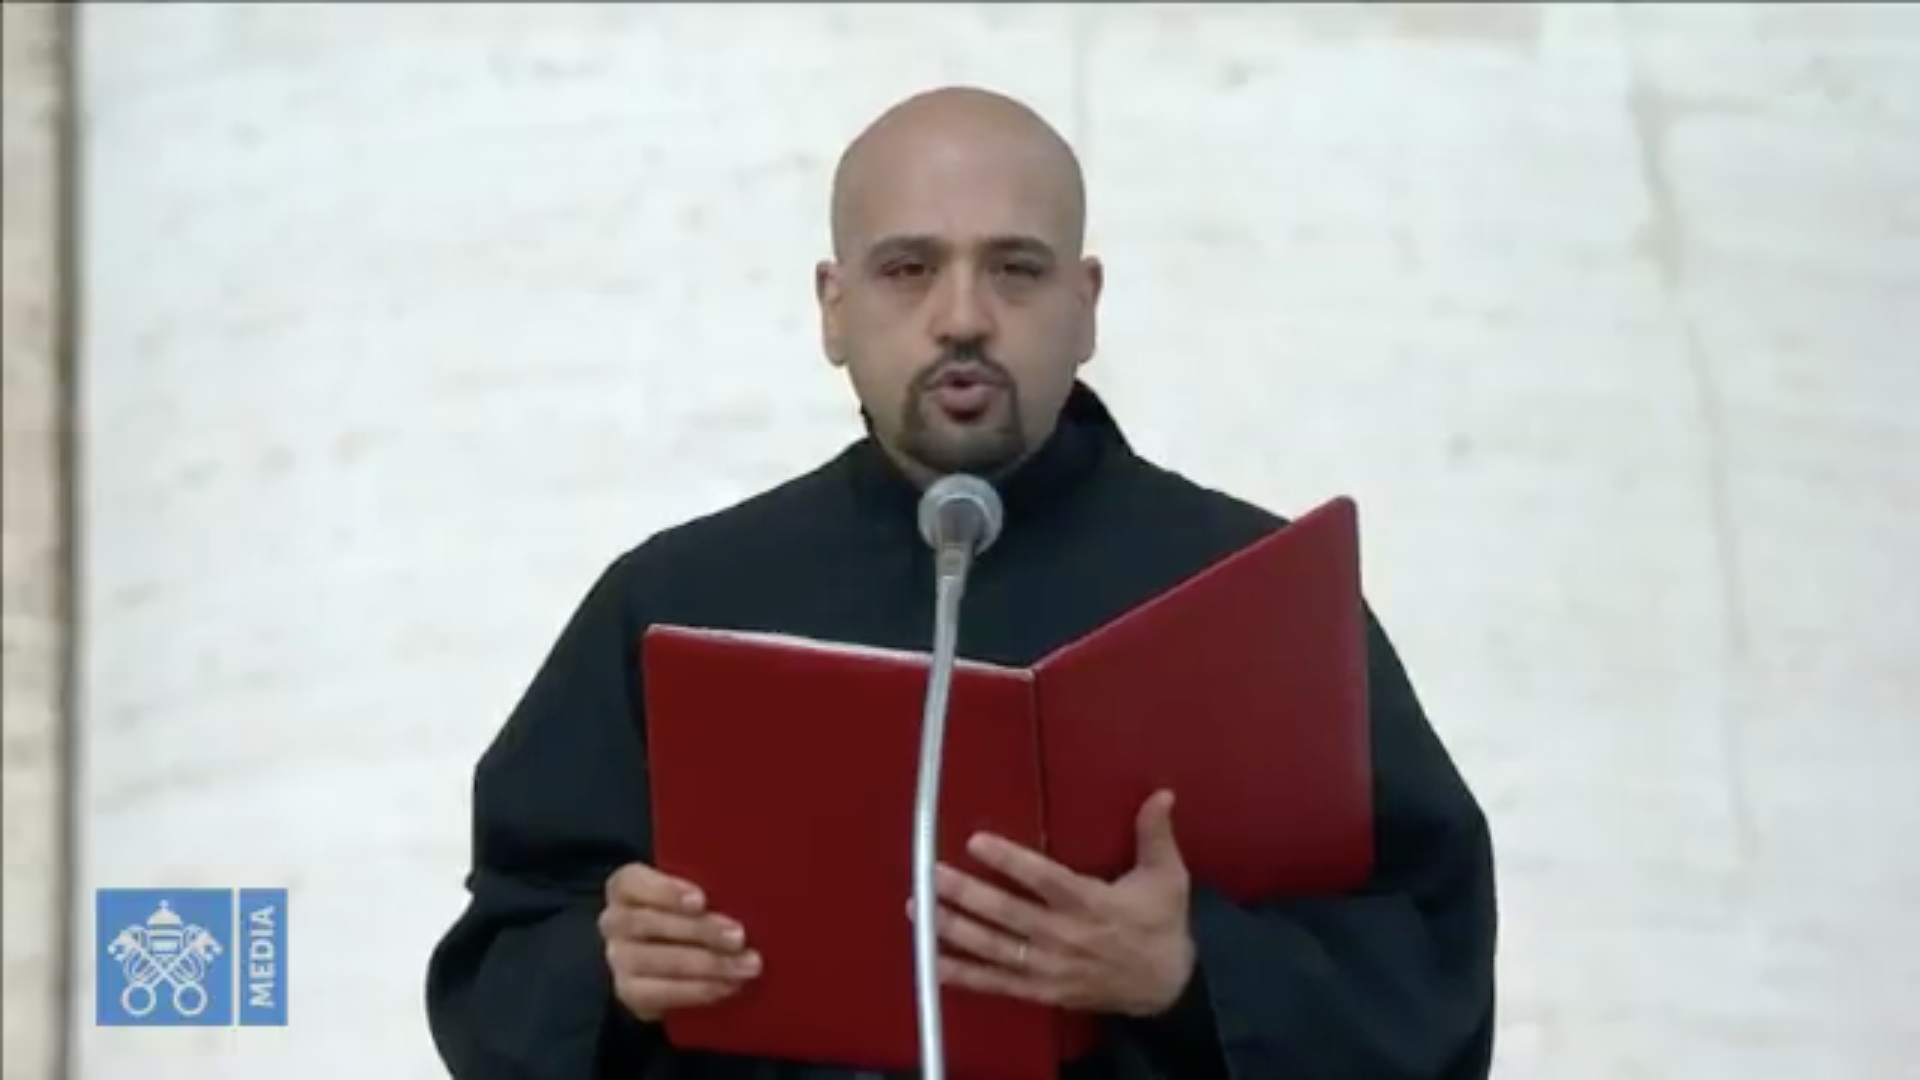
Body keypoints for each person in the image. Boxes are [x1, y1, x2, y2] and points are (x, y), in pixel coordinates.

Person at [425, 86, 1498, 1080]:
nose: (963, 317)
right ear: (833, 308)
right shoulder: (676, 599)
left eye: (1016, 269)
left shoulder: (1257, 601)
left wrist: (1190, 969)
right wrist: (611, 972)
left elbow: (1431, 975)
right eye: (908, 269)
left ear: (1086, 305)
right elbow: (498, 970)